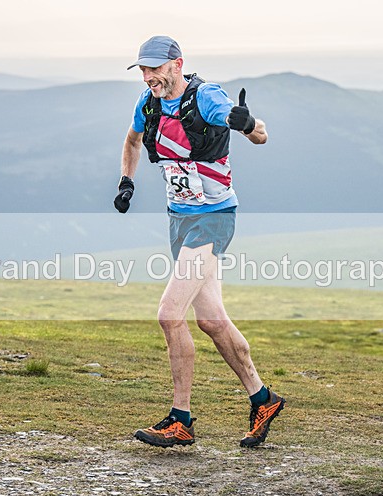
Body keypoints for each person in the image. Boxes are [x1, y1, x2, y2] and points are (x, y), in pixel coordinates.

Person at [114, 36, 285, 448]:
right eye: (144, 69)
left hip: (214, 219)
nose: (149, 76)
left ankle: (181, 419)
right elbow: (132, 140)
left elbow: (259, 134)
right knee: (210, 320)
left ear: (177, 64)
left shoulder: (205, 96)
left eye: (156, 68)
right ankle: (263, 399)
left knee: (170, 314)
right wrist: (126, 182)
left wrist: (248, 124)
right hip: (180, 221)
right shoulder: (148, 104)